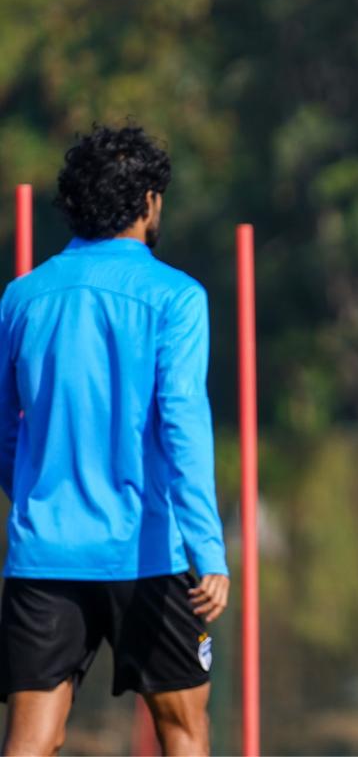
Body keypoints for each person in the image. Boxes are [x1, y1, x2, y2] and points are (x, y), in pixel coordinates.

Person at [0, 125, 229, 756]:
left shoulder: (20, 297)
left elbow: (3, 429)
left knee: (28, 744)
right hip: (150, 555)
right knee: (183, 731)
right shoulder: (177, 296)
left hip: (44, 555)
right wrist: (207, 547)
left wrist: (38, 488)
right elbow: (182, 422)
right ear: (149, 201)